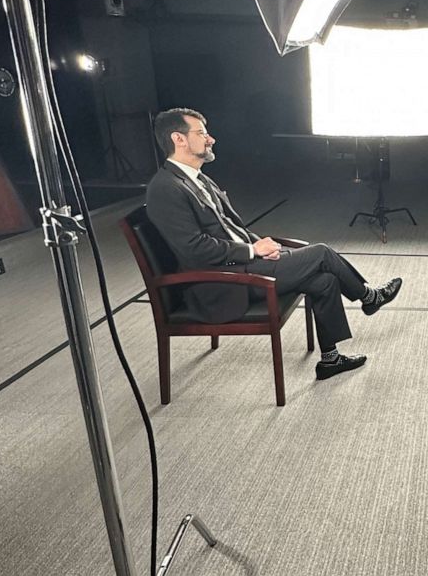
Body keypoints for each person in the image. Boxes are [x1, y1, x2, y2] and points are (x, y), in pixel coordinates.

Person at [145, 108, 402, 381]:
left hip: (242, 265)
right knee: (322, 253)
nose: (211, 139)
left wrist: (259, 243)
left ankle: (330, 360)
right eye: (202, 133)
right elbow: (193, 249)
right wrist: (251, 251)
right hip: (220, 283)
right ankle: (369, 297)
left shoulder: (197, 178)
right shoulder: (166, 188)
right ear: (178, 139)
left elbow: (232, 228)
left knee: (324, 279)